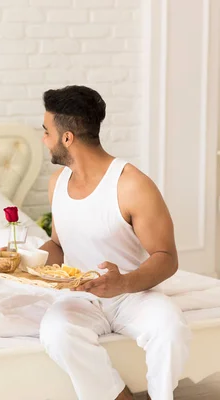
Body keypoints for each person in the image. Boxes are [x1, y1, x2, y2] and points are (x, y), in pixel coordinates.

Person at [37, 85, 190, 400]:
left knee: (170, 329)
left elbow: (167, 256)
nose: (44, 139)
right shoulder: (57, 183)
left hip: (132, 295)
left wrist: (123, 283)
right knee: (56, 332)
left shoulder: (132, 185)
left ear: (67, 138)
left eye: (46, 131)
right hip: (81, 298)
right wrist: (27, 261)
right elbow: (58, 244)